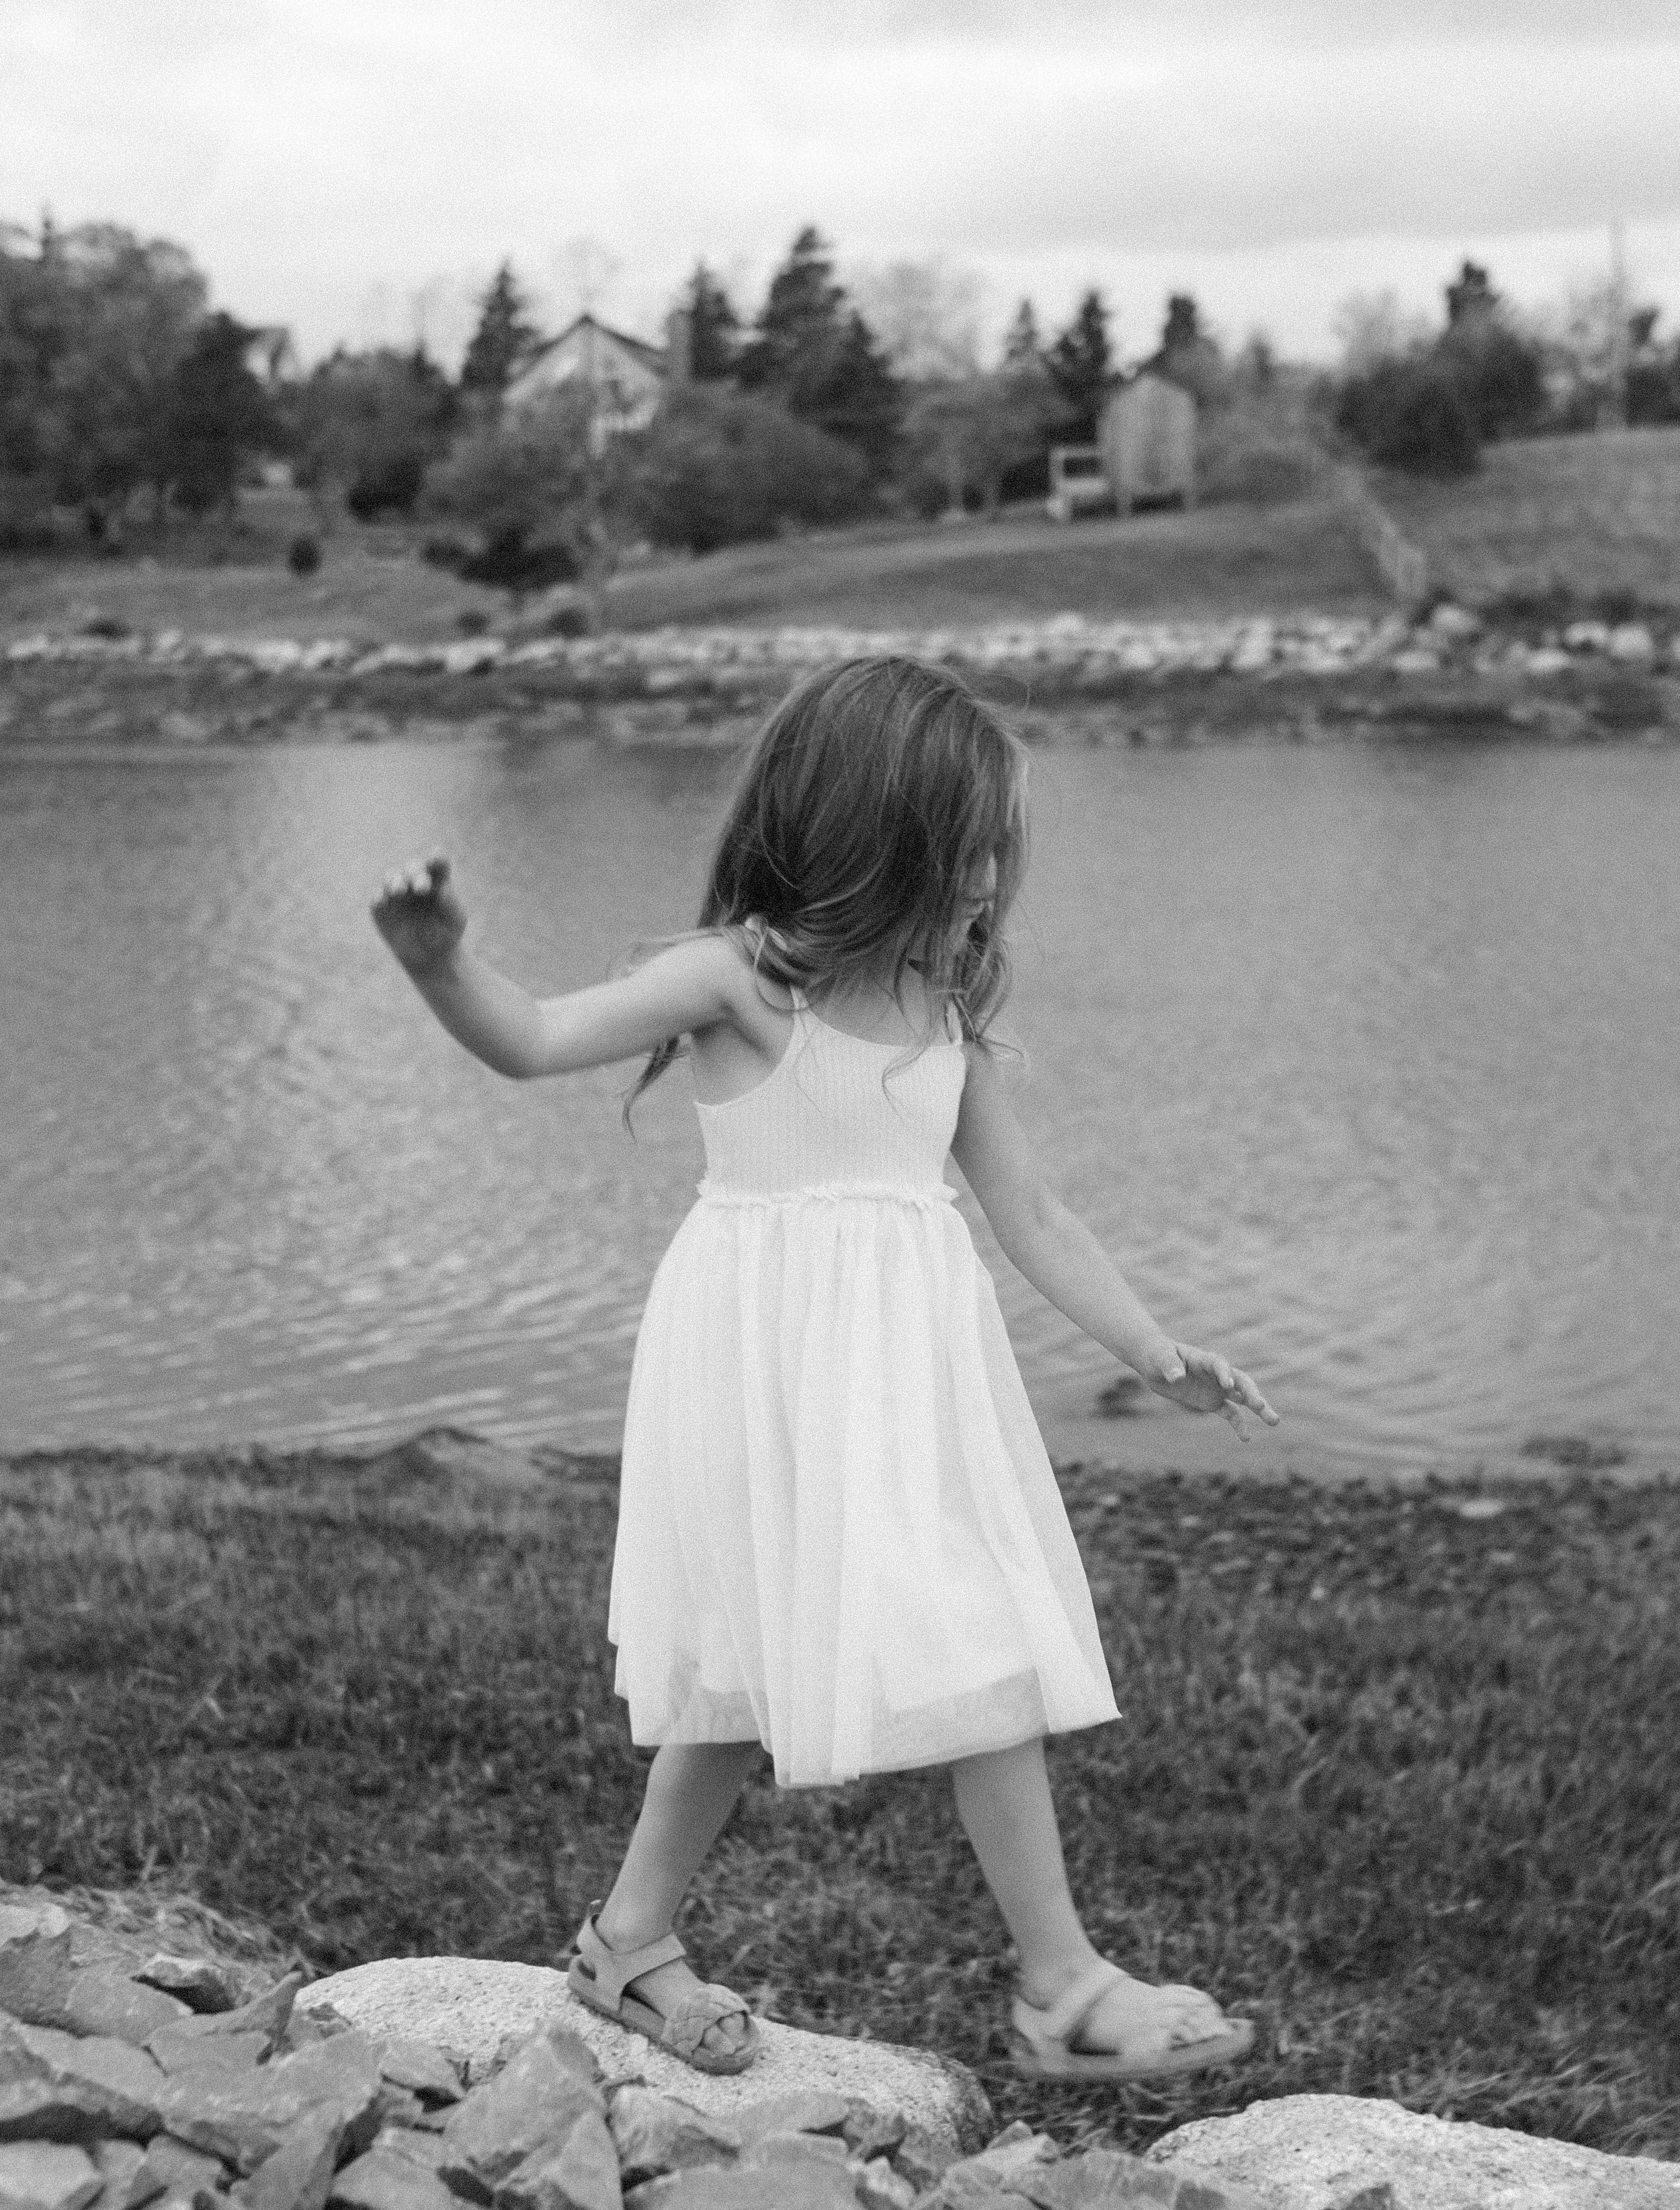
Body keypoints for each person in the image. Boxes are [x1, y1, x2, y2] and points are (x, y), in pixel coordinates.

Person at [371, 655, 1279, 2085]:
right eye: (974, 846)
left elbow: (1031, 1215)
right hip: (756, 1371)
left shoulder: (940, 1021)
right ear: (883, 834)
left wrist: (1154, 1353)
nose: (993, 878)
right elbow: (534, 1038)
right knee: (741, 1671)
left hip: (907, 1385)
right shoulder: (739, 979)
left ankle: (1027, 1979)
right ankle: (663, 1947)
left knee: (980, 1638)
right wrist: (440, 966)